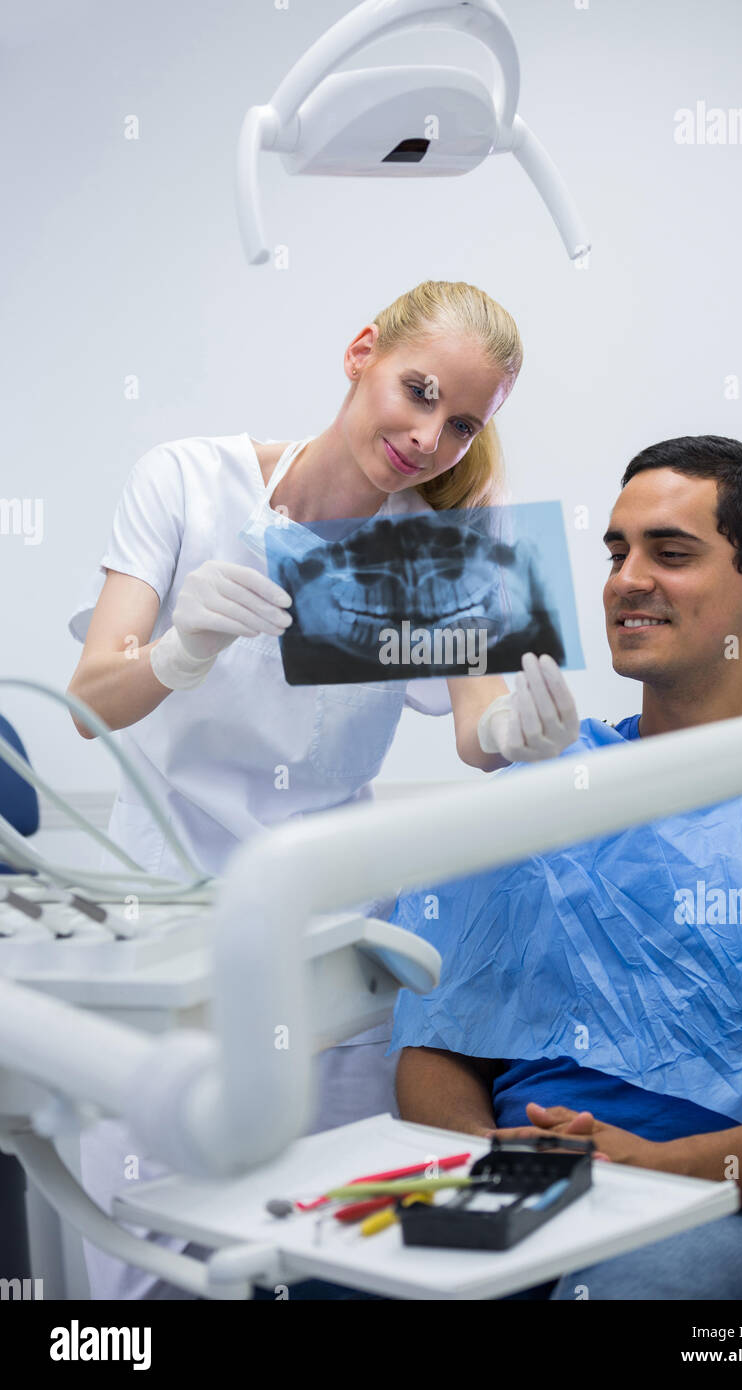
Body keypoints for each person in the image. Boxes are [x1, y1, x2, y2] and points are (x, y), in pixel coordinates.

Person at [65, 279, 579, 1298]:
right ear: (360, 353)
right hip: (165, 912)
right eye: (417, 390)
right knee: (150, 1254)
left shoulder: (434, 540)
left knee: (331, 1246)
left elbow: (478, 730)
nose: (429, 436)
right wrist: (180, 649)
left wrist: (521, 731)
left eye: (462, 421)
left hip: (330, 937)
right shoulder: (186, 482)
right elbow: (90, 699)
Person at [392, 435, 742, 1301]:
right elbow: (433, 1041)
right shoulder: (546, 785)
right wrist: (487, 1160)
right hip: (519, 1188)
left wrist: (661, 1166)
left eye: (670, 554)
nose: (626, 580)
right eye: (616, 551)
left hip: (734, 1210)